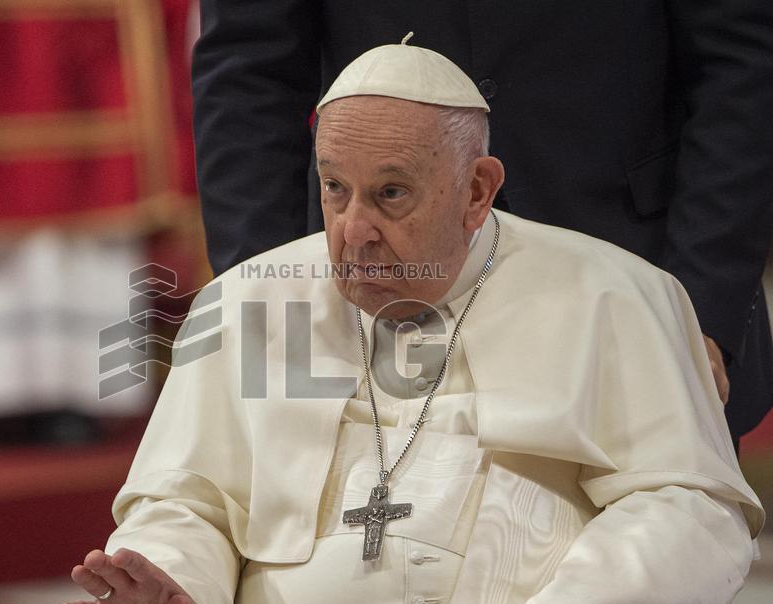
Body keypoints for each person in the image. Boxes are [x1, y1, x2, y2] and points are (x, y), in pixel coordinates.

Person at [56, 45, 763, 604]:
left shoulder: (616, 296)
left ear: (477, 191)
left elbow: (688, 505)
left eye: (391, 193)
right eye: (334, 188)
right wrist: (177, 592)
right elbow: (187, 499)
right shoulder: (247, 303)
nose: (352, 230)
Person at [190, 0, 773, 450]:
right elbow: (248, 71)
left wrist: (698, 310)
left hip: (632, 265)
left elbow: (742, 66)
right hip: (372, 295)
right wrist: (271, 302)